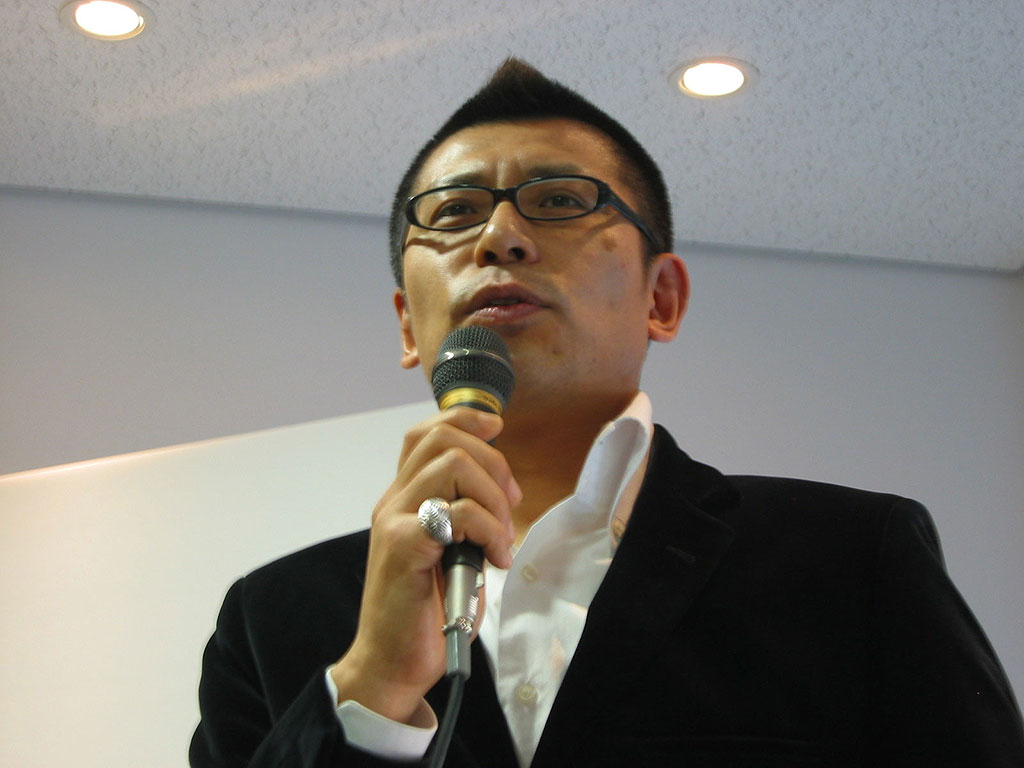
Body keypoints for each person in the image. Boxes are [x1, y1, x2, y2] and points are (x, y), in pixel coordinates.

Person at [189, 59, 1024, 767]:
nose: (499, 237)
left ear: (661, 299)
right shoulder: (270, 620)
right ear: (409, 325)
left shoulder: (850, 560)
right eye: (453, 213)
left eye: (558, 201)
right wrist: (372, 686)